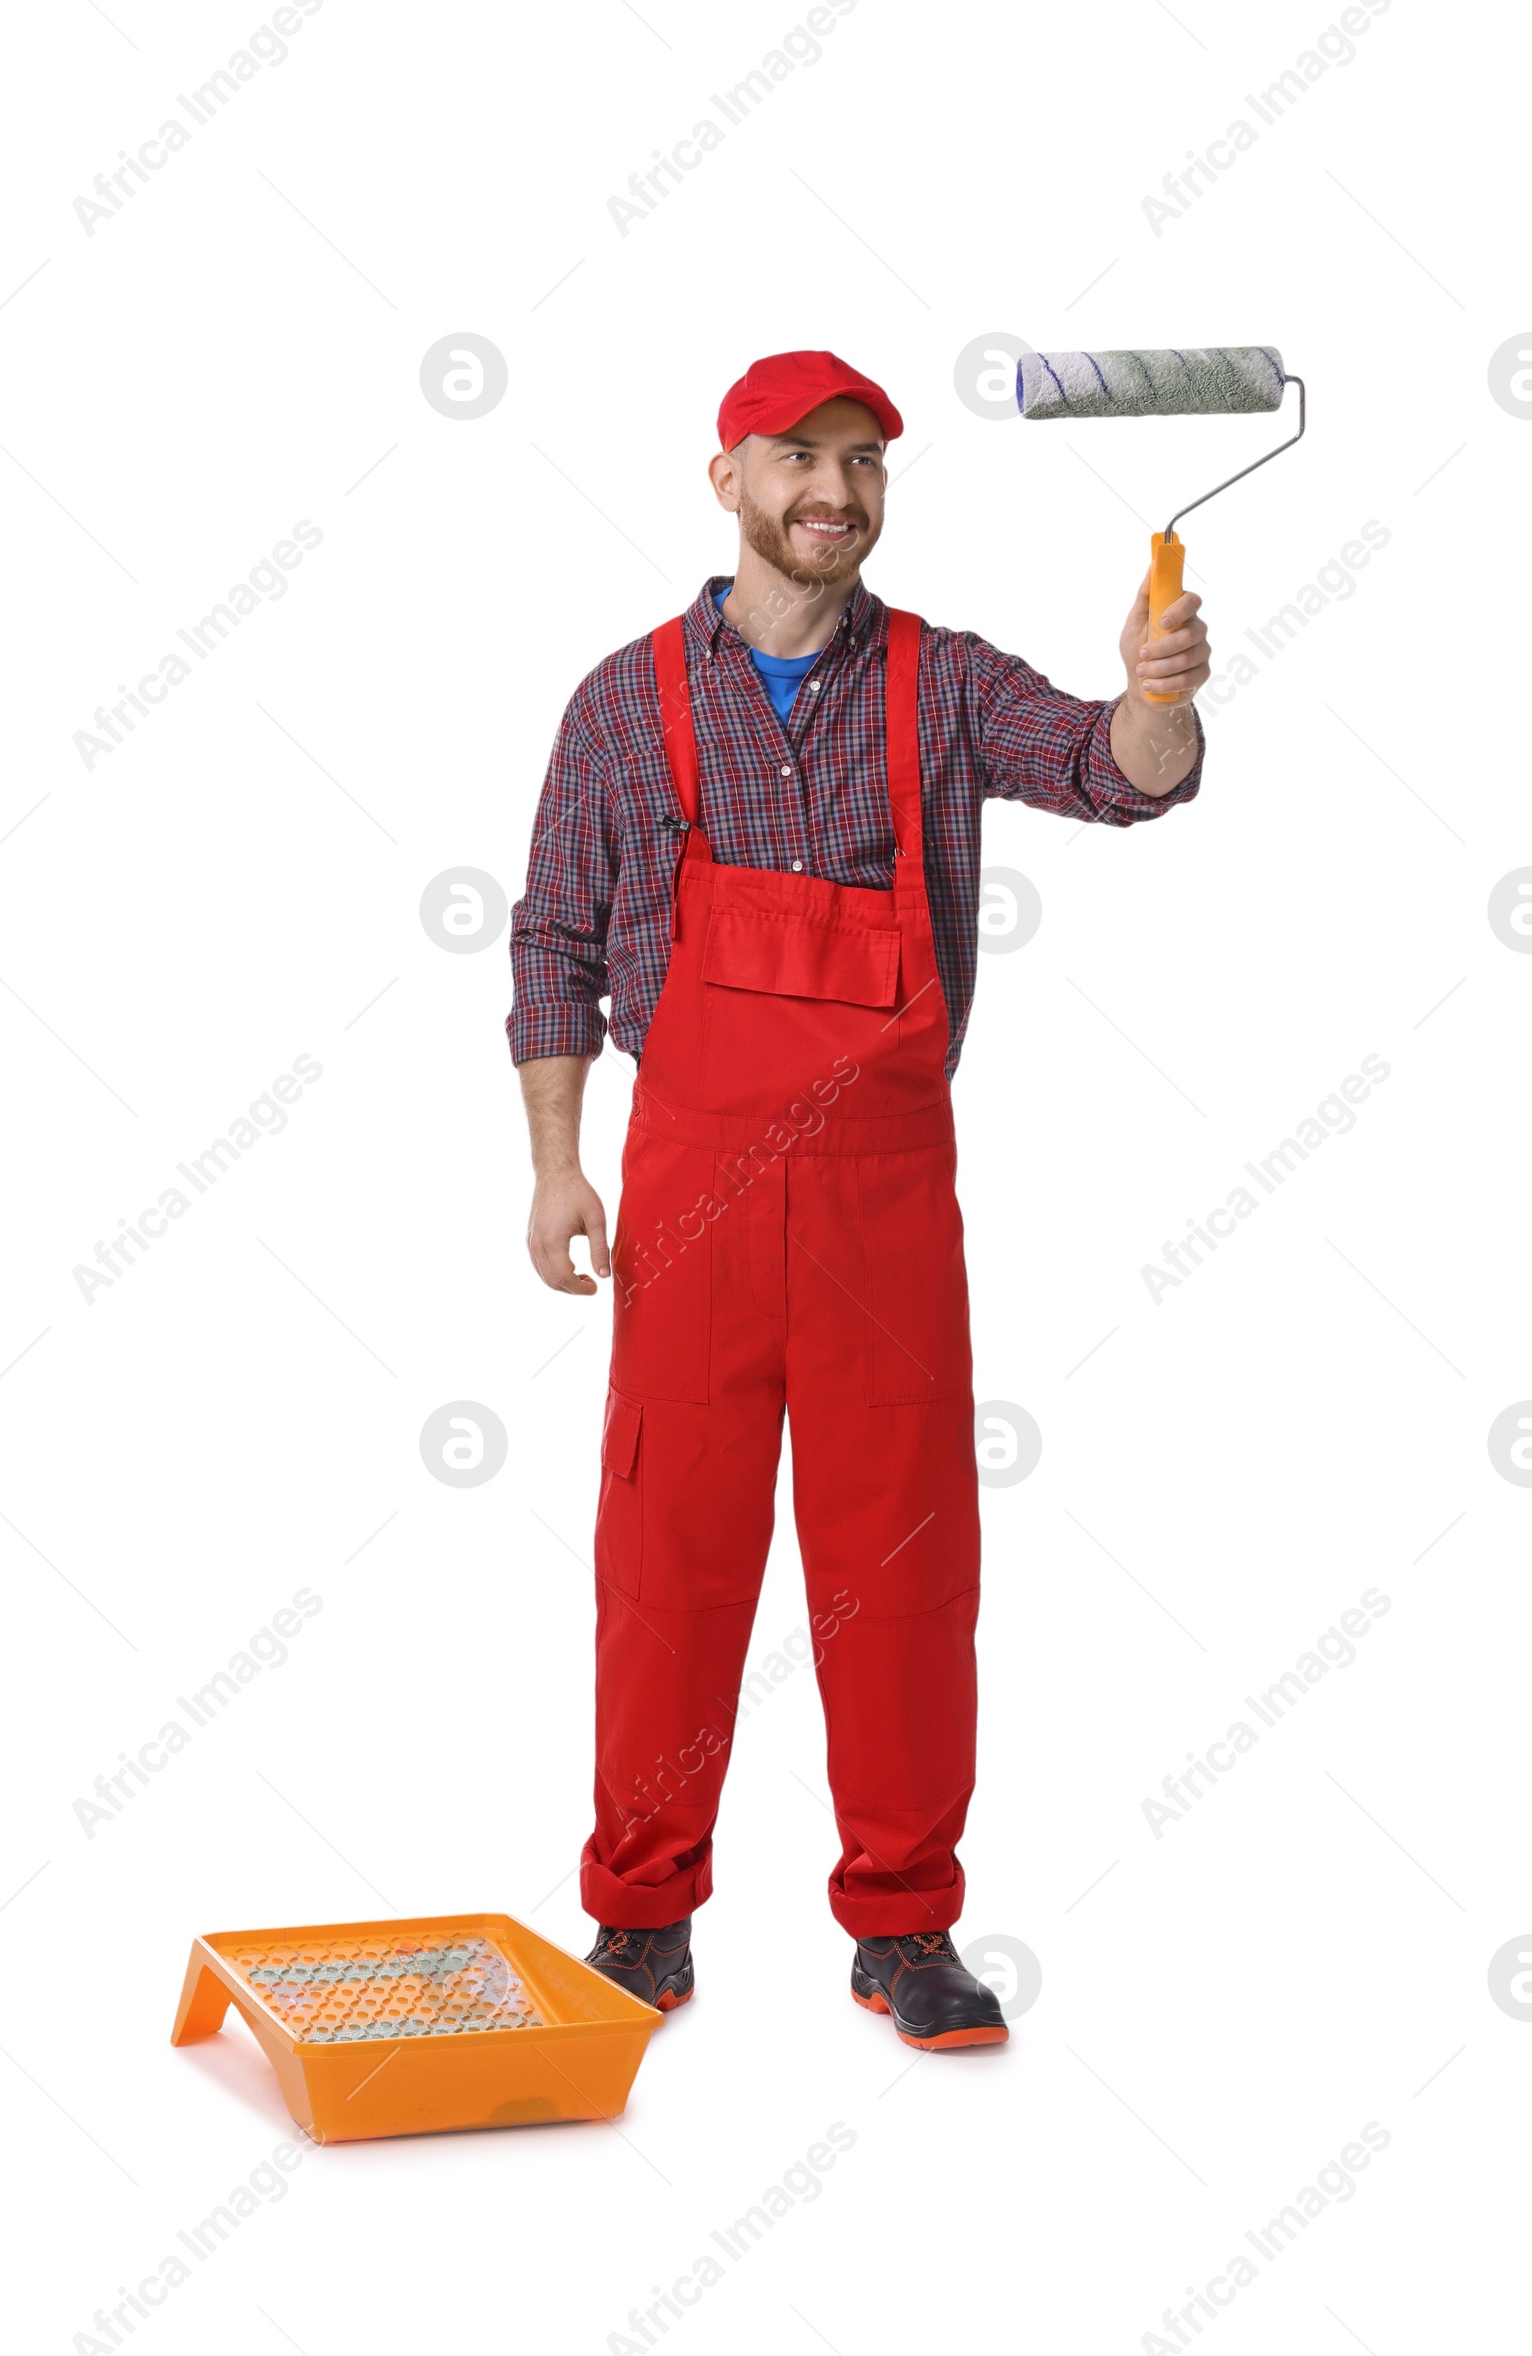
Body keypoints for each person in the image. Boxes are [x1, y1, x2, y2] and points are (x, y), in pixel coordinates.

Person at [507, 349, 1209, 2050]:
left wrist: (1159, 692)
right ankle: (642, 1912)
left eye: (864, 462)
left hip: (888, 1202)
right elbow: (552, 936)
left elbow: (1117, 773)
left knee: (900, 1563)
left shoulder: (945, 685)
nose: (835, 488)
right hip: (689, 1193)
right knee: (669, 1551)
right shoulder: (625, 700)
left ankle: (905, 1924)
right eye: (799, 457)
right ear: (727, 478)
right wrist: (554, 1164)